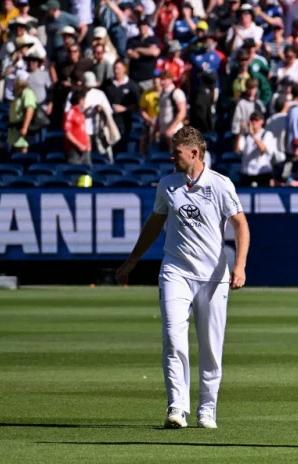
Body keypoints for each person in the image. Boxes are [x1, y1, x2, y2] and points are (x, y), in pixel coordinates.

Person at [115, 126, 250, 430]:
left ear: (194, 153)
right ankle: (177, 406)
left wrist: (239, 266)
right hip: (175, 272)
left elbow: (241, 225)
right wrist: (132, 260)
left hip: (214, 277)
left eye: (176, 153)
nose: (171, 158)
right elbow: (154, 223)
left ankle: (208, 410)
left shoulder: (221, 185)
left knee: (211, 347)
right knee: (173, 339)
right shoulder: (167, 184)